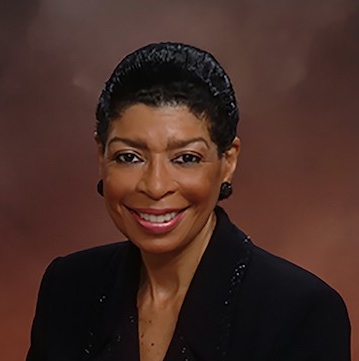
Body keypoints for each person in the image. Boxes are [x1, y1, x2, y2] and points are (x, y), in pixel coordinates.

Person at [26, 42, 351, 361]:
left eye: (185, 158)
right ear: (101, 156)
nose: (155, 186)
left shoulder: (301, 314)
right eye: (129, 156)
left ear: (228, 162)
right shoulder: (67, 288)